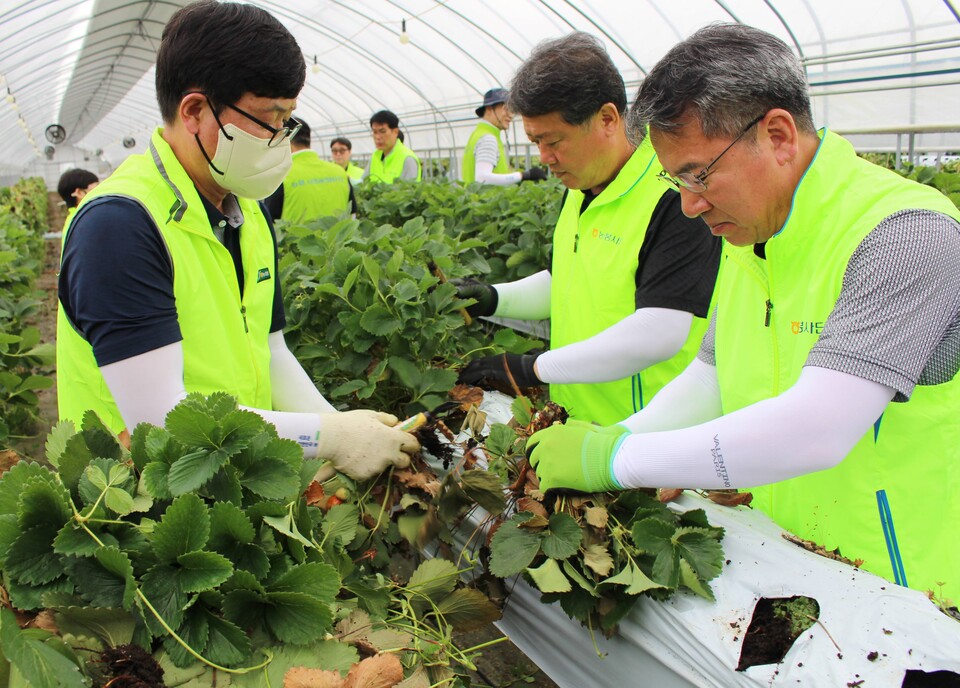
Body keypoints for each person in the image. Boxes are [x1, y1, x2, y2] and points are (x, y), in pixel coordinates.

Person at [526, 24, 960, 601]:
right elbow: (709, 377)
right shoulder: (752, 233)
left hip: (901, 586)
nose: (689, 203)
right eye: (674, 178)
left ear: (778, 136)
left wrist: (620, 458)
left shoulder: (903, 234)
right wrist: (621, 436)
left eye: (699, 174)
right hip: (791, 560)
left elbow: (819, 429)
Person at [56, 0, 418, 482]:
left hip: (238, 474)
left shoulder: (247, 207)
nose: (281, 140)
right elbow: (160, 421)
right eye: (270, 120)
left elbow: (271, 352)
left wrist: (341, 426)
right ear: (195, 111)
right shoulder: (119, 225)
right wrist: (325, 438)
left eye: (289, 120)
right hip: (134, 510)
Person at [456, 32, 721, 425]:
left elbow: (662, 330)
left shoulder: (674, 195)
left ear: (608, 118)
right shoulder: (581, 186)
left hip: (646, 441)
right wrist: (491, 298)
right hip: (576, 428)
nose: (545, 158)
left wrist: (532, 368)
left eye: (554, 141)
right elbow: (569, 282)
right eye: (535, 142)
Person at [264, 120, 355, 224]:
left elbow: (268, 224)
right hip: (336, 240)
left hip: (294, 240)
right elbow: (352, 216)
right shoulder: (340, 172)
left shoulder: (280, 175)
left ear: (283, 139)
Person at [461, 87, 547, 185]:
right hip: (487, 199)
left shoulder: (477, 134)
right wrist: (524, 175)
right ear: (489, 109)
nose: (510, 115)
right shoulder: (488, 138)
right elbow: (482, 178)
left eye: (512, 111)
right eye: (506, 109)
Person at [365, 110, 421, 183]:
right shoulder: (375, 156)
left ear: (395, 132)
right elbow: (362, 184)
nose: (377, 137)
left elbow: (409, 192)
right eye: (375, 132)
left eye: (382, 131)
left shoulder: (407, 159)